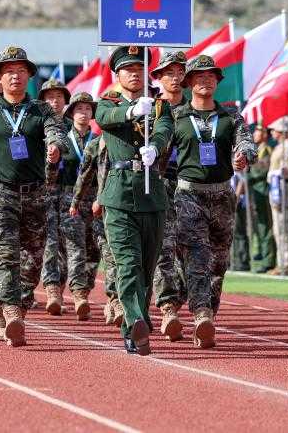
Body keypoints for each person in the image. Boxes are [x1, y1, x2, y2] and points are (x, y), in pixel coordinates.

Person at [0, 46, 68, 347]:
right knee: (5, 254)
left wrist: (55, 147)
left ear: (29, 77)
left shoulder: (41, 110)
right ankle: (9, 313)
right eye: (9, 71)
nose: (15, 76)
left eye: (21, 71)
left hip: (35, 194)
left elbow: (57, 132)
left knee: (33, 260)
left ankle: (14, 308)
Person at [94, 45, 174, 355]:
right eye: (128, 69)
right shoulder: (109, 102)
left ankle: (135, 324)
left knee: (147, 266)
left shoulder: (159, 105)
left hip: (152, 193)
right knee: (127, 264)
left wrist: (155, 146)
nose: (135, 74)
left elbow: (165, 129)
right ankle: (136, 320)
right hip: (120, 194)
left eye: (140, 68)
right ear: (117, 74)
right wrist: (131, 112)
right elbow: (105, 118)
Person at [170, 55, 254, 348]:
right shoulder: (176, 116)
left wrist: (243, 155)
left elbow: (246, 141)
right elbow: (159, 149)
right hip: (188, 194)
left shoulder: (230, 116)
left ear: (217, 81)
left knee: (218, 263)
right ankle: (201, 314)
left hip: (222, 196)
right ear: (189, 82)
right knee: (196, 257)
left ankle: (208, 317)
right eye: (199, 76)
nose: (206, 80)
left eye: (211, 76)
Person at [148, 50, 189, 339]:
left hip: (191, 186)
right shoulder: (150, 110)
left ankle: (178, 298)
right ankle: (167, 307)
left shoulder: (196, 110)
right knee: (164, 247)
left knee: (192, 251)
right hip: (158, 184)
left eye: (180, 73)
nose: (175, 78)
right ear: (159, 77)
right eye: (169, 73)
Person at [73, 120, 122, 326]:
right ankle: (114, 300)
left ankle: (120, 301)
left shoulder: (128, 144)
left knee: (125, 259)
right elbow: (84, 175)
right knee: (110, 257)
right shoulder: (94, 145)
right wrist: (76, 201)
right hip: (103, 210)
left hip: (126, 208)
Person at [57, 91, 99, 320]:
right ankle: (79, 294)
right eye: (79, 109)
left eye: (87, 109)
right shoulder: (63, 141)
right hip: (69, 197)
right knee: (75, 247)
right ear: (72, 113)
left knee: (94, 250)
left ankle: (86, 288)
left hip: (95, 199)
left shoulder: (99, 140)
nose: (83, 113)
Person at [37, 78, 74, 315]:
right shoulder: (36, 125)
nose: (54, 101)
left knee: (68, 244)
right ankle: (50, 289)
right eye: (50, 97)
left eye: (59, 97)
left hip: (71, 192)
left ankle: (59, 288)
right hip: (44, 191)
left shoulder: (74, 126)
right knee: (48, 241)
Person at [245, 122, 276, 274]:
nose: (255, 134)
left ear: (264, 134)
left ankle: (268, 260)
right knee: (260, 227)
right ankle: (264, 256)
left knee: (266, 227)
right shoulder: (257, 150)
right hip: (256, 191)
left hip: (263, 191)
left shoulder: (266, 150)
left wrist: (247, 173)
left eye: (258, 131)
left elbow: (261, 170)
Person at [267, 118, 288, 276]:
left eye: (275, 130)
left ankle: (287, 263)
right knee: (278, 229)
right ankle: (281, 262)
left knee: (285, 228)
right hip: (275, 189)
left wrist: (282, 172)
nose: (272, 132)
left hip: (284, 190)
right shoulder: (278, 147)